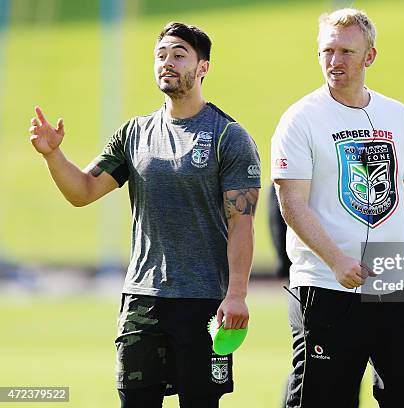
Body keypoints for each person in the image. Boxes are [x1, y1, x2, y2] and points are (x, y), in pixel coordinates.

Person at [28, 22, 260, 408]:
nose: (167, 62)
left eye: (179, 55)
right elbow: (83, 192)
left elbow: (242, 224)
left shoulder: (228, 136)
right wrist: (53, 155)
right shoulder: (134, 133)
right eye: (161, 55)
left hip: (202, 302)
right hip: (141, 300)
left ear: (203, 67)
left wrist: (236, 295)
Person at [271, 8, 404, 407]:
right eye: (327, 51)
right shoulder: (300, 119)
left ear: (370, 56)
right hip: (326, 286)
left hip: (392, 285)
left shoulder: (396, 114)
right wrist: (335, 259)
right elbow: (291, 203)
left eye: (346, 51)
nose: (335, 61)